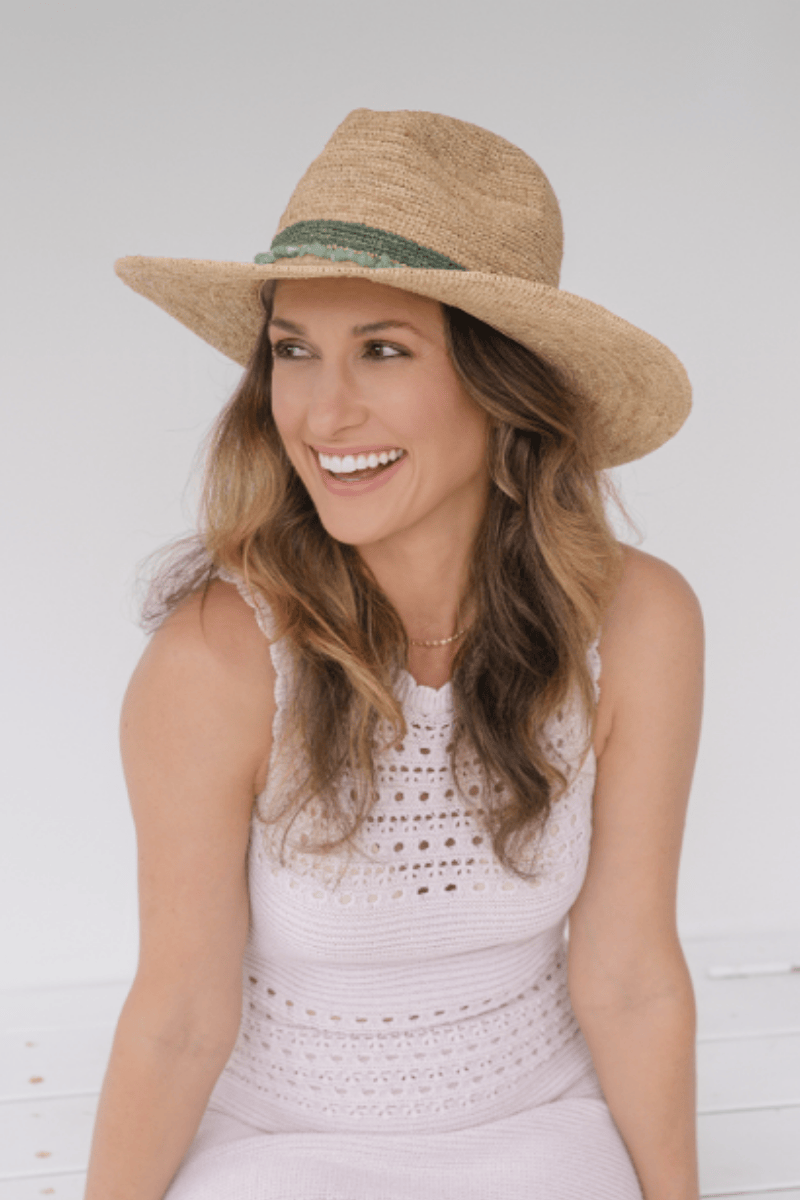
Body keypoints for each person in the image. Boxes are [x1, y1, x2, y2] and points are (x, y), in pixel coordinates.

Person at [86, 109, 704, 1200]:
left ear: (502, 384)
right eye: (293, 351)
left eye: (383, 349)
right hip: (281, 1148)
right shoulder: (219, 659)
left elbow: (630, 976)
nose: (323, 413)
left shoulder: (637, 623)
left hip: (538, 1129)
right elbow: (179, 1018)